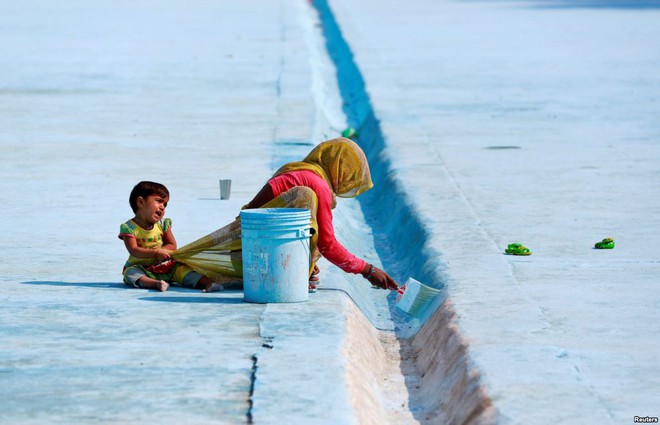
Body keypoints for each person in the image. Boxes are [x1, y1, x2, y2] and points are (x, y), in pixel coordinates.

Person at [244, 137, 398, 291]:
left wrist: (308, 260)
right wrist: (368, 270)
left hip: (253, 233)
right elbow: (327, 244)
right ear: (338, 168)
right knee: (317, 229)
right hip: (254, 247)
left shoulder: (303, 171)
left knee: (313, 231)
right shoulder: (319, 185)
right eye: (348, 174)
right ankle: (287, 272)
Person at [118, 181, 218, 292]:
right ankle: (156, 283)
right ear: (141, 202)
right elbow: (134, 250)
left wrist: (162, 252)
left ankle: (209, 283)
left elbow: (172, 245)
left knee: (182, 270)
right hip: (141, 268)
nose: (162, 207)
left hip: (165, 266)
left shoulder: (162, 225)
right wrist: (155, 253)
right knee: (130, 274)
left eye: (165, 204)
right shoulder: (130, 227)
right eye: (159, 201)